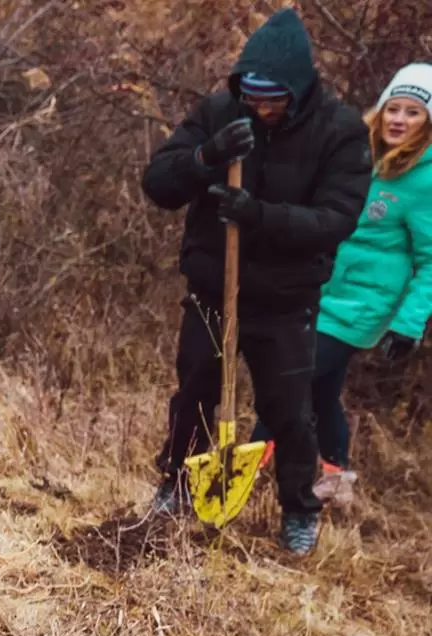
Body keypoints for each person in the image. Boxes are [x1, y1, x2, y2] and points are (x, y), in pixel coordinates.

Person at [141, 7, 371, 556]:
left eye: (272, 99)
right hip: (212, 290)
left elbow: (335, 221)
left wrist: (258, 215)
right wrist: (206, 157)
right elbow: (159, 183)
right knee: (195, 393)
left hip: (285, 301)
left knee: (288, 409)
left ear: (298, 89)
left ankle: (298, 509)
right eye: (253, 96)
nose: (261, 108)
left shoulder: (340, 132)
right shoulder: (223, 110)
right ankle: (177, 484)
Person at [267, 64, 432, 497]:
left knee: (289, 379)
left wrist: (409, 325)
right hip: (321, 287)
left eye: (413, 112)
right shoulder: (357, 153)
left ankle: (241, 471)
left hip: (363, 306)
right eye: (393, 108)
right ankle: (334, 478)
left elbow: (430, 261)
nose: (399, 119)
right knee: (321, 390)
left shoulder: (426, 179)